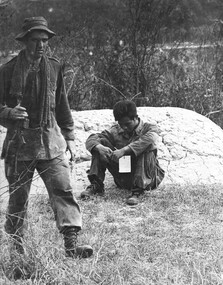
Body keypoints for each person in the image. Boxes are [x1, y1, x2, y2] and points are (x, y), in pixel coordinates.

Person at [0, 16, 93, 258]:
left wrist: (70, 137)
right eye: (35, 40)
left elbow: (62, 104)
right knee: (18, 199)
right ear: (24, 41)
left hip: (51, 141)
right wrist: (8, 112)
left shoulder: (54, 67)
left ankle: (72, 245)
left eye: (45, 40)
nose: (41, 45)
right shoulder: (7, 71)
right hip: (19, 144)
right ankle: (16, 249)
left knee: (63, 190)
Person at [80, 100, 165, 205]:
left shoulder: (149, 128)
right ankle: (96, 185)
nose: (124, 128)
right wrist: (99, 147)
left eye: (127, 124)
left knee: (147, 147)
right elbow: (92, 139)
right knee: (98, 144)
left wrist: (124, 150)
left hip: (148, 179)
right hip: (124, 177)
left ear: (135, 118)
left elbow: (150, 138)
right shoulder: (115, 130)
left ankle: (138, 190)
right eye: (121, 124)